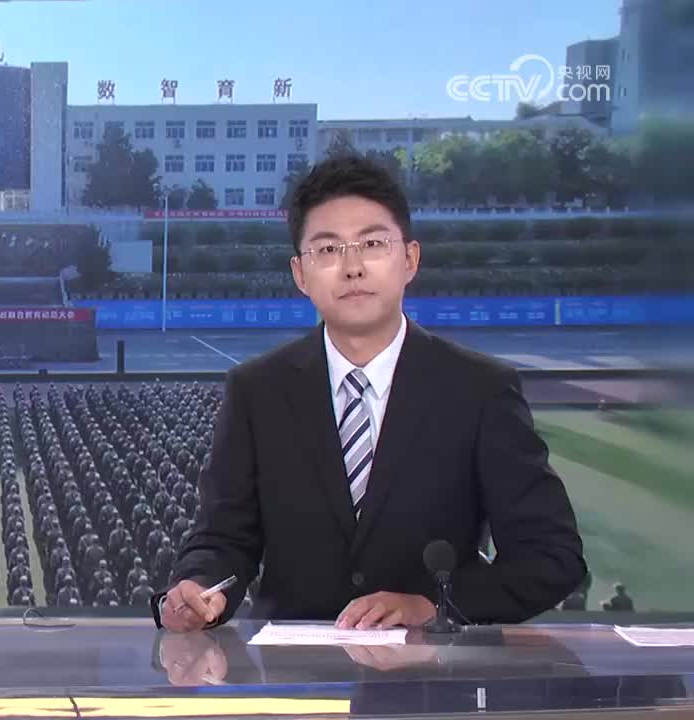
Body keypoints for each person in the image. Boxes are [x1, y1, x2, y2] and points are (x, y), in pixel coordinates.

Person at [154, 154, 585, 633]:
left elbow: (552, 557)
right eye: (328, 249)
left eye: (373, 244)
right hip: (293, 671)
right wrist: (200, 585)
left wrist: (434, 606)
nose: (352, 267)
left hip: (433, 670)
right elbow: (222, 539)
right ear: (300, 274)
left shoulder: (479, 389)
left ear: (410, 259)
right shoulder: (257, 391)